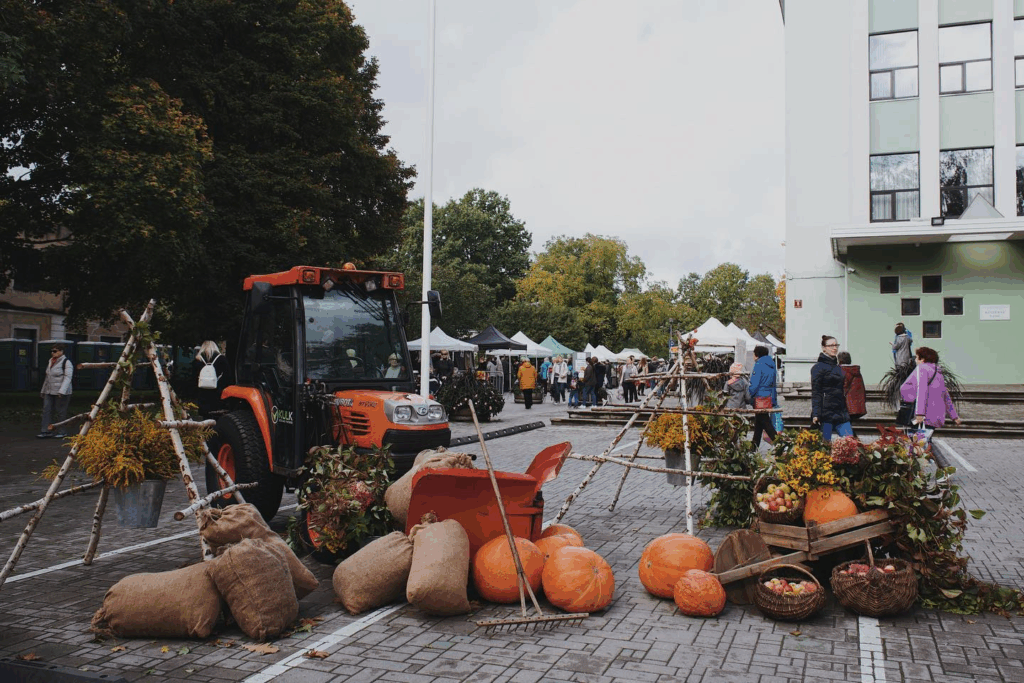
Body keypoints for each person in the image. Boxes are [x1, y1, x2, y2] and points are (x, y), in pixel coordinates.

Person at [899, 346, 962, 442]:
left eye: (916, 357)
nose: (915, 360)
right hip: (933, 416)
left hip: (920, 415)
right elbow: (945, 395)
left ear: (922, 359)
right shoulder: (938, 372)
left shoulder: (922, 369)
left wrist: (919, 413)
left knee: (916, 446)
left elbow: (922, 390)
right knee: (924, 443)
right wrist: (954, 416)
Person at [810, 335, 853, 441]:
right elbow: (816, 392)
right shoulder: (817, 368)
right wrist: (816, 414)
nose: (835, 348)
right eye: (831, 345)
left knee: (850, 443)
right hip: (825, 413)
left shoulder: (839, 368)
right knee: (825, 447)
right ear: (823, 348)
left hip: (840, 412)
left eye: (836, 345)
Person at [39, 343, 74, 438]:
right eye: (51, 351)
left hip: (61, 392)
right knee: (47, 410)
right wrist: (43, 390)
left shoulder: (66, 362)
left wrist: (62, 391)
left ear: (61, 352)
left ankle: (61, 431)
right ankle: (46, 431)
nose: (52, 353)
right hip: (49, 390)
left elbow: (68, 378)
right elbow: (47, 377)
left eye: (55, 351)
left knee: (60, 411)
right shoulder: (50, 361)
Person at [748, 346, 778, 447]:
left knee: (765, 422)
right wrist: (774, 399)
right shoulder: (772, 365)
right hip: (768, 397)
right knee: (759, 423)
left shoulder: (758, 364)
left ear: (757, 354)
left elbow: (755, 383)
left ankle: (780, 444)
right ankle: (754, 446)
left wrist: (750, 393)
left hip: (759, 397)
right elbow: (774, 384)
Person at [193, 340, 229, 418]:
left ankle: (205, 427)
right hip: (217, 390)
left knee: (205, 413)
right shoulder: (221, 358)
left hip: (202, 390)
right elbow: (227, 375)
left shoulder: (198, 358)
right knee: (215, 412)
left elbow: (194, 375)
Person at [838, 351, 867, 421]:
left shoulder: (841, 371)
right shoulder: (856, 371)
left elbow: (842, 388)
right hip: (856, 406)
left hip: (846, 406)